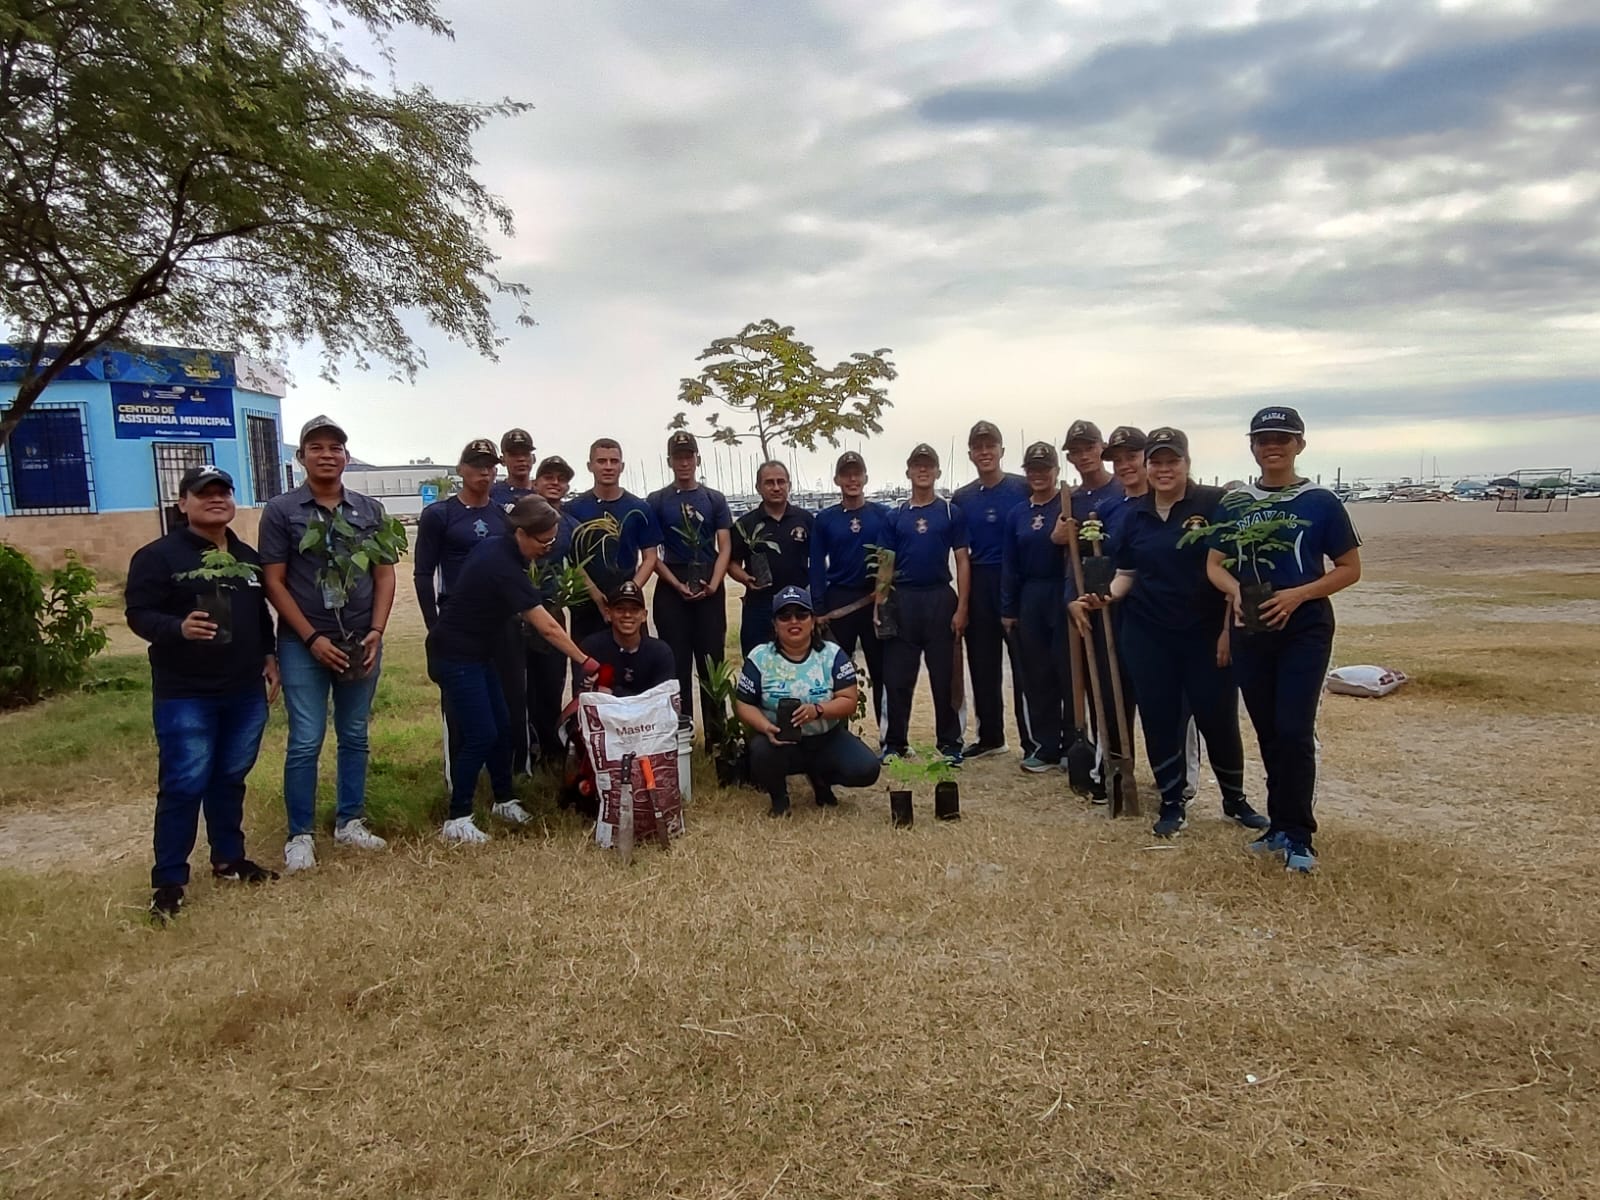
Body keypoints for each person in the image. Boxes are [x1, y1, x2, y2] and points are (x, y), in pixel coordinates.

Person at [1072, 427, 1268, 838]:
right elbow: (1127, 573)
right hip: (1148, 634)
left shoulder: (1214, 505)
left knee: (1217, 719)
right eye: (1156, 462)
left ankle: (1234, 800)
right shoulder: (1135, 513)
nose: (1163, 469)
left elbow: (1232, 568)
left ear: (1186, 463)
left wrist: (1226, 633)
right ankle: (1171, 801)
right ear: (1148, 466)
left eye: (1171, 461)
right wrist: (1104, 598)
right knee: (1160, 719)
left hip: (1204, 632)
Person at [1206, 407, 1362, 873]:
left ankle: (1300, 834)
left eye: (1283, 438)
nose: (1272, 446)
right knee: (1269, 730)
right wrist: (1234, 593)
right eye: (1263, 439)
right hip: (1252, 628)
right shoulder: (1236, 503)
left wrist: (1298, 596)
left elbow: (1350, 569)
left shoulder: (1320, 501)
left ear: (1300, 445)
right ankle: (1276, 825)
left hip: (1304, 628)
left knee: (1294, 730)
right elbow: (1215, 563)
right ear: (1252, 446)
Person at [125, 466, 280, 921]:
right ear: (183, 503)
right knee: (183, 783)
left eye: (223, 492)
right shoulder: (159, 557)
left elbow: (257, 617)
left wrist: (269, 655)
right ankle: (169, 880)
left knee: (230, 777)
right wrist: (177, 627)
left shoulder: (247, 557)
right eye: (204, 493)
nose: (216, 500)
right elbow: (138, 614)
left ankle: (229, 860)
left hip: (244, 689)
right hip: (186, 693)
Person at [259, 415, 394, 873]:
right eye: (316, 447)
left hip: (360, 638)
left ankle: (350, 821)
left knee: (354, 734)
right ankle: (299, 834)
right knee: (306, 738)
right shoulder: (282, 511)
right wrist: (311, 638)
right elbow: (274, 582)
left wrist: (376, 630)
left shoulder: (368, 510)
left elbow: (384, 573)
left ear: (347, 456)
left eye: (335, 447)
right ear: (301, 457)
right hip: (305, 645)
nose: (327, 454)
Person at [426, 497, 602, 843]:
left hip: (480, 653)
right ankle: (457, 818)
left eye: (553, 541)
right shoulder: (501, 564)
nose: (548, 548)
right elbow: (548, 628)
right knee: (480, 734)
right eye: (543, 541)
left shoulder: (501, 550)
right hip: (455, 654)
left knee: (504, 727)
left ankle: (503, 800)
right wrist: (585, 660)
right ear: (520, 533)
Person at [734, 586, 881, 817]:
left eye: (801, 614)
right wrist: (765, 727)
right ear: (774, 624)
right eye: (785, 615)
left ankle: (821, 779)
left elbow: (849, 700)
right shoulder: (760, 657)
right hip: (781, 742)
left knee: (867, 769)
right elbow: (743, 703)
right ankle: (779, 798)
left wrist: (818, 710)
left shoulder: (832, 654)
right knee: (760, 752)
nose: (794, 621)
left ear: (812, 621)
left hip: (826, 738)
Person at [1051, 418, 1131, 800]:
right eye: (1075, 451)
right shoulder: (1072, 501)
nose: (1083, 456)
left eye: (1088, 448)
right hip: (1087, 602)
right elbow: (1071, 561)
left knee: (1129, 690)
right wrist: (1071, 600)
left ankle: (1143, 768)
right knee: (1096, 683)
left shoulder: (1124, 492)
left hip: (1127, 602)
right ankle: (1105, 764)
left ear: (1102, 448)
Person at [880, 443, 970, 764]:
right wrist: (881, 605)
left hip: (939, 598)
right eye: (917, 465)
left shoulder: (950, 512)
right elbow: (886, 563)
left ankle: (949, 744)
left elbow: (962, 562)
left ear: (937, 471)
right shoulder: (896, 516)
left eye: (928, 465)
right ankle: (895, 744)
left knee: (945, 677)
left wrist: (962, 608)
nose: (923, 470)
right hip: (903, 600)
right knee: (898, 677)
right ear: (908, 471)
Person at [952, 420, 1032, 760]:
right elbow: (961, 553)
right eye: (978, 447)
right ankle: (991, 737)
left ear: (1002, 450)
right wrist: (964, 603)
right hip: (980, 580)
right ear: (971, 454)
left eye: (991, 446)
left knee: (1026, 664)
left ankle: (1035, 741)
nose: (985, 452)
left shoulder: (1023, 487)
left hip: (1017, 579)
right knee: (983, 665)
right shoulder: (962, 497)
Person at [648, 431, 733, 744]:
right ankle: (679, 736)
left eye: (689, 456)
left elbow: (724, 546)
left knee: (712, 662)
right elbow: (652, 553)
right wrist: (675, 583)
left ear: (697, 459)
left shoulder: (714, 499)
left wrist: (714, 582)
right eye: (677, 457)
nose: (684, 462)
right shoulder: (656, 501)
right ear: (669, 461)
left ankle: (718, 738)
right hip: (672, 585)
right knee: (676, 664)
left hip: (710, 584)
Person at [809, 450, 889, 743]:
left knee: (882, 671)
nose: (852, 479)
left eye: (857, 473)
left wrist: (885, 597)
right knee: (836, 674)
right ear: (837, 479)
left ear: (866, 478)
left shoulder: (883, 515)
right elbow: (816, 565)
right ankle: (835, 738)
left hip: (873, 601)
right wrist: (818, 607)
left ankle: (889, 738)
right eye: (846, 474)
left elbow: (891, 560)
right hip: (838, 601)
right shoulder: (826, 519)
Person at [1000, 442, 1068, 772]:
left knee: (1068, 671)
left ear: (1056, 471)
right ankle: (1045, 745)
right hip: (1031, 595)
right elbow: (1009, 564)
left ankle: (1074, 742)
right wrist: (1008, 608)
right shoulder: (1018, 513)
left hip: (1064, 592)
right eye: (1033, 469)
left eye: (1045, 468)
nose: (1039, 475)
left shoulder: (1069, 505)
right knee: (1036, 673)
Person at [565, 438, 662, 653]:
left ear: (622, 466)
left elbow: (650, 557)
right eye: (601, 461)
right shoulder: (572, 509)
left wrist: (631, 590)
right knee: (587, 669)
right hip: (586, 602)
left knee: (635, 669)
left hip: (628, 603)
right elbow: (570, 560)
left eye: (613, 461)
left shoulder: (639, 508)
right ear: (590, 466)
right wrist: (596, 595)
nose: (608, 466)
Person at [524, 454, 580, 767]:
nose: (555, 482)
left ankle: (549, 746)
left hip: (553, 609)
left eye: (561, 478)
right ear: (536, 480)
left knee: (551, 682)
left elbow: (578, 568)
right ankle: (525, 746)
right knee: (522, 683)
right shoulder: (520, 518)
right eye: (548, 476)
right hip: (519, 609)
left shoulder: (571, 525)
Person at [730, 460, 814, 656]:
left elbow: (818, 561)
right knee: (757, 661)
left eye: (781, 482)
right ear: (758, 487)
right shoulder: (745, 524)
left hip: (797, 606)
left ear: (789, 485)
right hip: (759, 605)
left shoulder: (806, 520)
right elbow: (732, 563)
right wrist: (745, 579)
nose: (776, 487)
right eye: (769, 482)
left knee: (799, 661)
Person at [579, 581, 678, 697]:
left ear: (644, 616)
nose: (627, 615)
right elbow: (581, 695)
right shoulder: (591, 647)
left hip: (647, 714)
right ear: (608, 613)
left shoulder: (661, 652)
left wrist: (612, 691)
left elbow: (663, 699)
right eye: (620, 609)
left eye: (634, 610)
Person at [490, 427, 537, 510]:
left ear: (533, 458)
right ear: (502, 460)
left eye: (525, 454)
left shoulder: (543, 493)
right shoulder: (491, 494)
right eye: (514, 454)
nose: (521, 459)